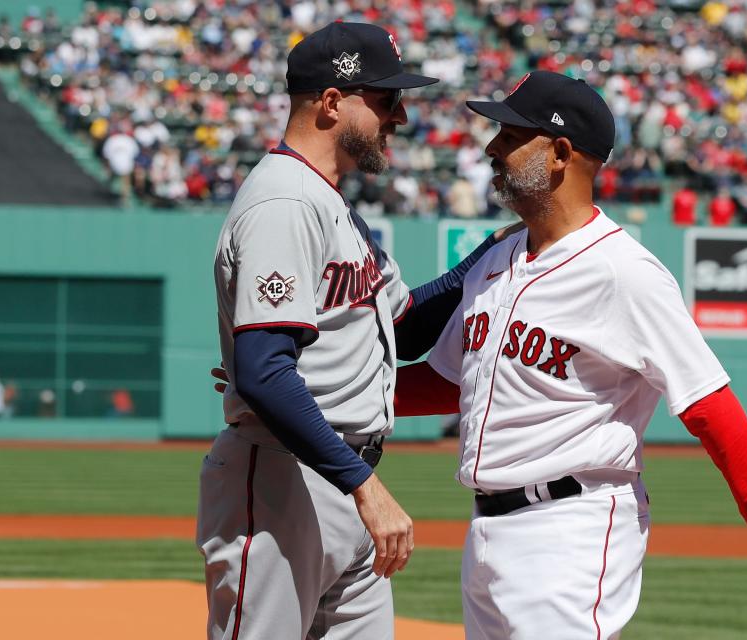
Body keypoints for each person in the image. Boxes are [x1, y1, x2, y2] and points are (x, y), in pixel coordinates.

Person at [394, 71, 747, 639]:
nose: (491, 149)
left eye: (508, 135)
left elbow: (710, 408)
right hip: (485, 531)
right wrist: (326, 399)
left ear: (559, 153)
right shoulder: (495, 260)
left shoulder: (625, 272)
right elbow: (451, 380)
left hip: (570, 528)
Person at [197, 22, 512, 640]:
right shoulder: (284, 203)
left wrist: (489, 255)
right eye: (386, 99)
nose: (399, 116)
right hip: (289, 479)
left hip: (339, 472)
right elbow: (264, 370)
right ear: (333, 102)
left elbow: (405, 325)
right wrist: (364, 487)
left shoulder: (331, 202)